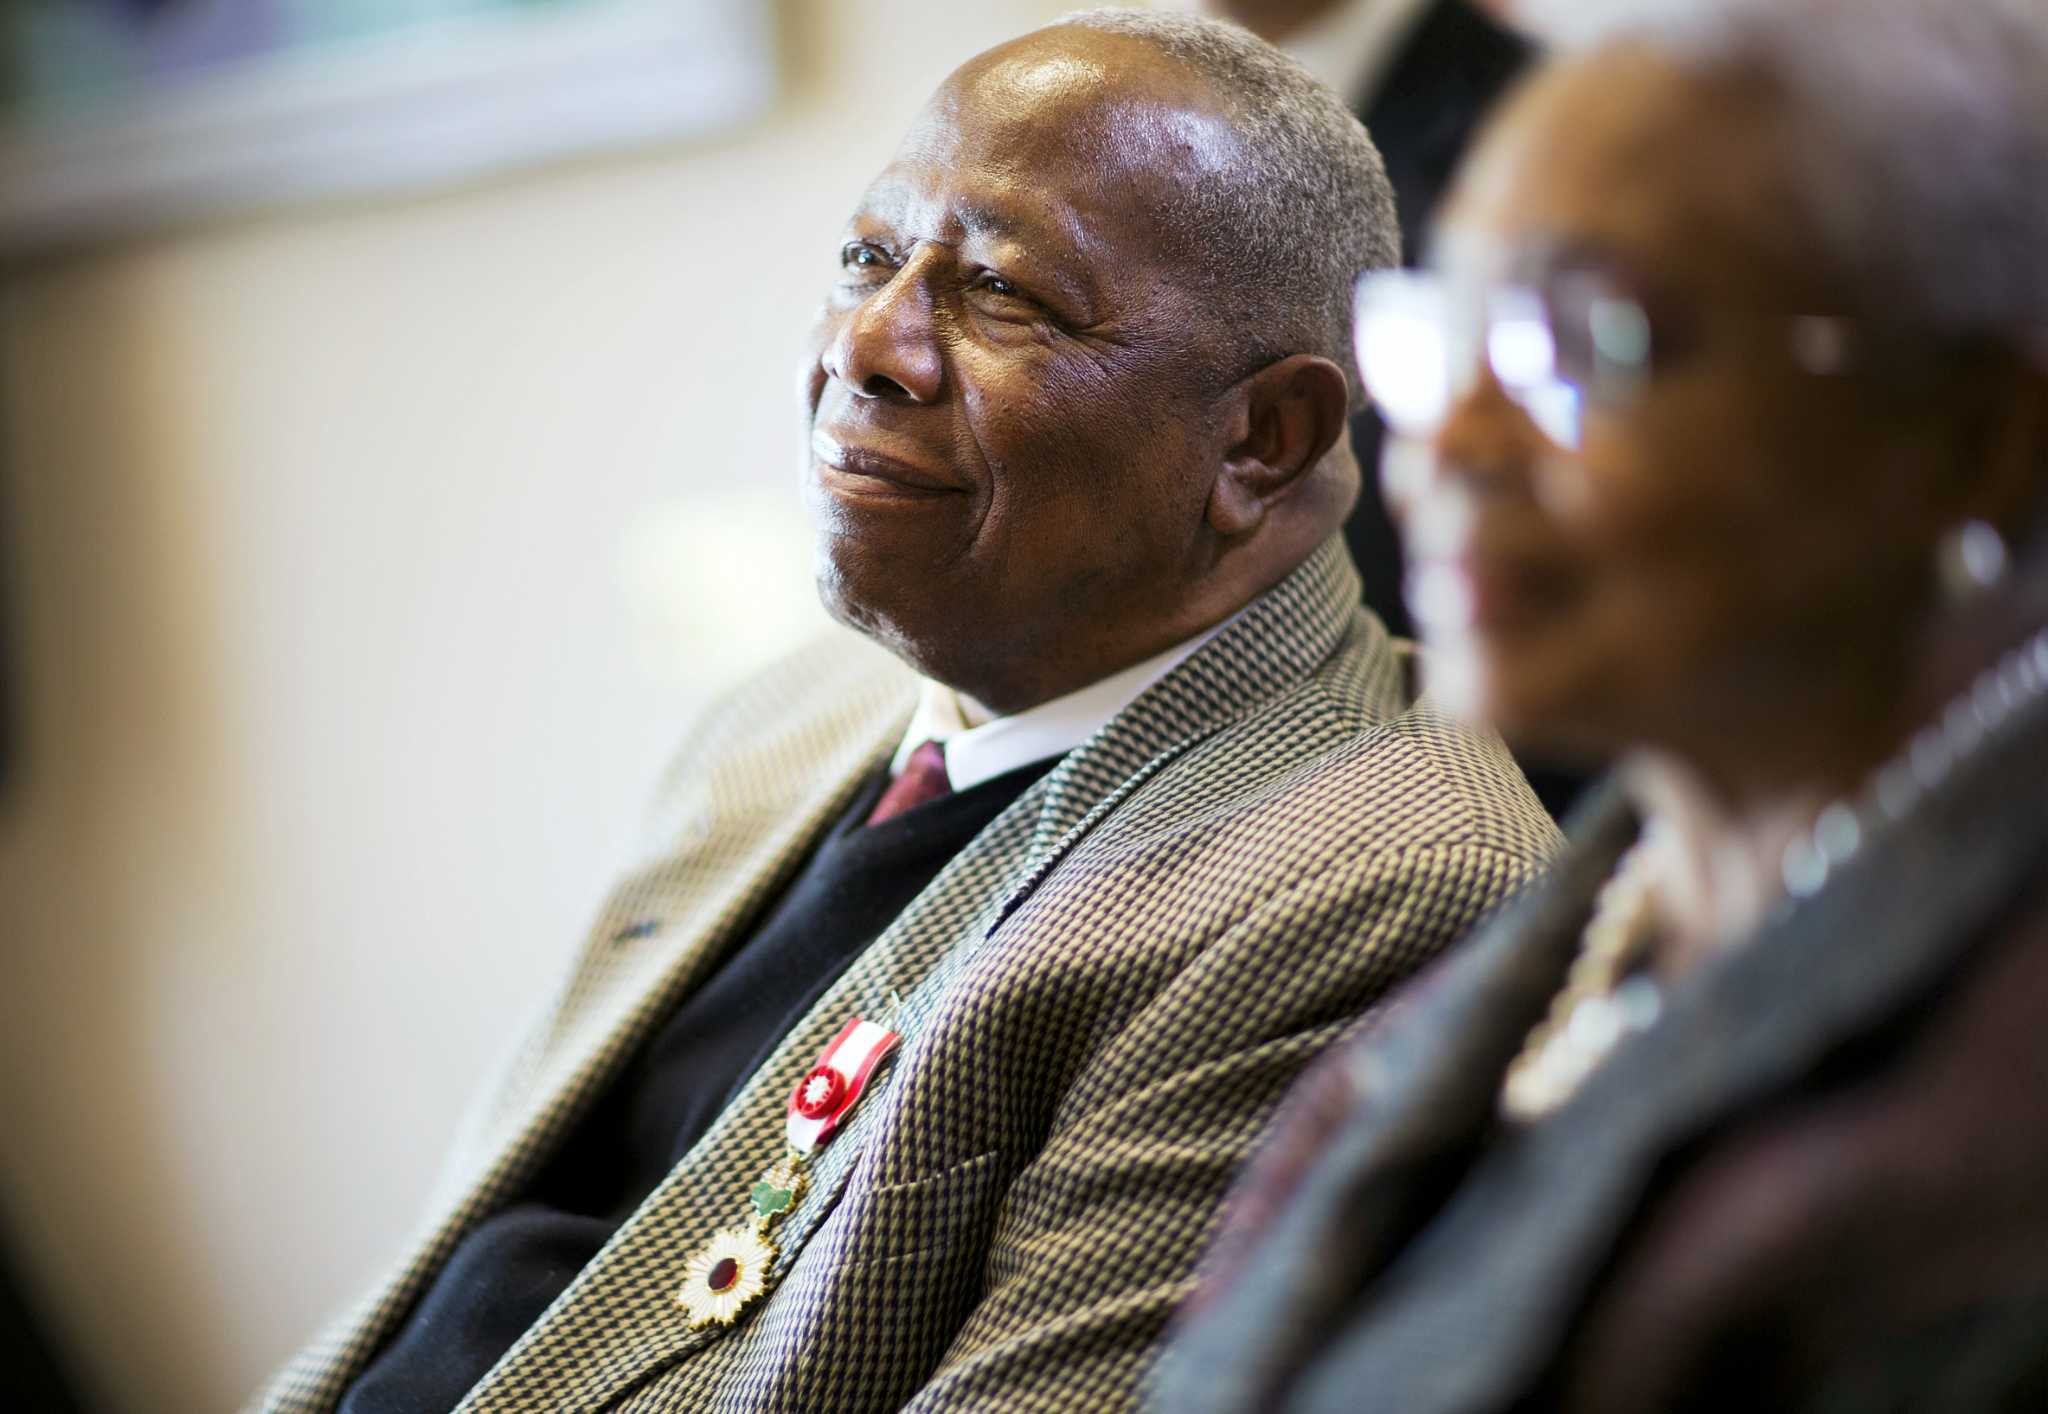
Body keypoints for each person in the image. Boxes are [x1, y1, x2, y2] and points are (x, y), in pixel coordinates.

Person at [252, 12, 1558, 1413]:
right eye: (868, 259)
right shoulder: (793, 719)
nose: (870, 345)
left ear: (1266, 438)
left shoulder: (1377, 884)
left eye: (1000, 289)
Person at [1155, 0, 2048, 1409]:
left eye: (1587, 338)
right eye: (1444, 331)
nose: (1446, 438)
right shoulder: (1574, 940)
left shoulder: (1994, 1134)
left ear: (1975, 436)